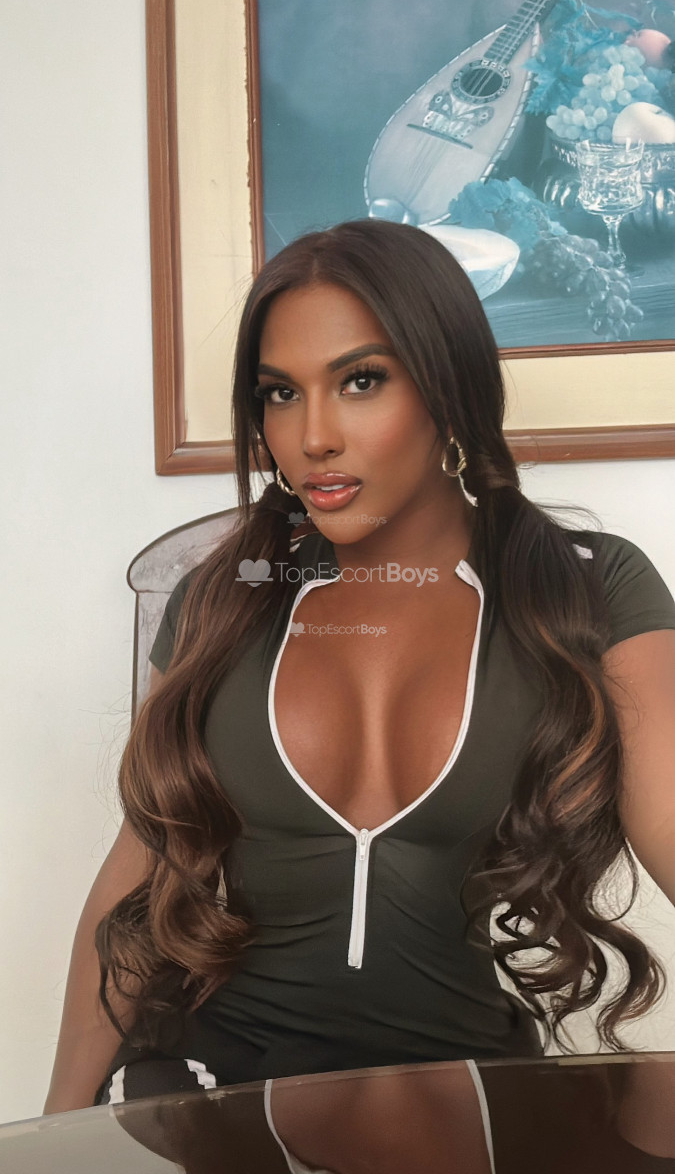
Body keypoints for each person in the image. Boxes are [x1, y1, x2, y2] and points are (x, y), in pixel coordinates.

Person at [43, 219, 675, 1116]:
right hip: (211, 1086)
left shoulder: (587, 589)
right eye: (280, 393)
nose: (313, 437)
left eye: (361, 380)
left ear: (448, 386)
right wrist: (55, 1131)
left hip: (467, 1092)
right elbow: (137, 885)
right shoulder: (221, 604)